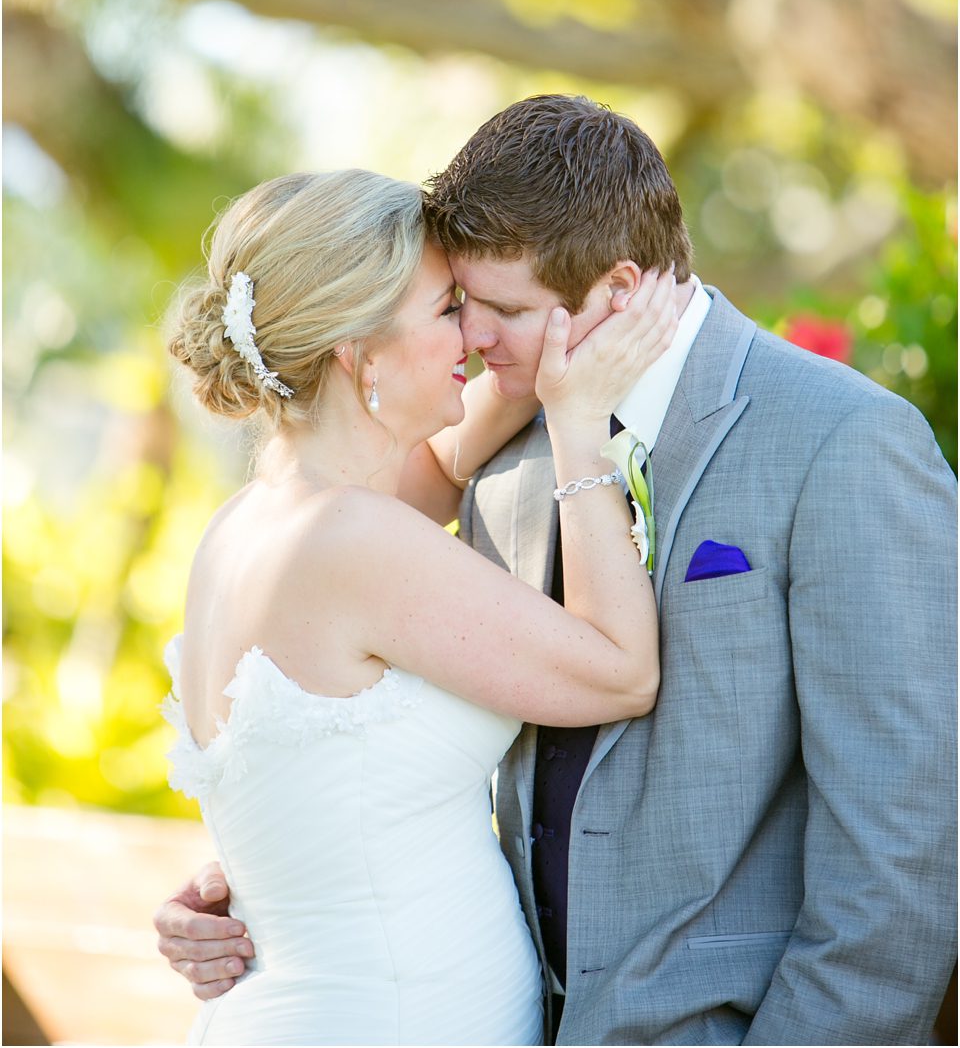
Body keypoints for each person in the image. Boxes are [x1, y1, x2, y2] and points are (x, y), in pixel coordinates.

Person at [157, 99, 957, 1047]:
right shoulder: (506, 443)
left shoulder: (843, 443)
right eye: (453, 307)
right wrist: (268, 873)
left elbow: (902, 849)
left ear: (618, 289)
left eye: (495, 311)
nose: (474, 345)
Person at [159, 165, 677, 1046]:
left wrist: (559, 330)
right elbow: (621, 672)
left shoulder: (252, 522)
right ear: (357, 355)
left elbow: (438, 469)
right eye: (447, 310)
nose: (472, 336)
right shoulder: (350, 540)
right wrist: (579, 424)